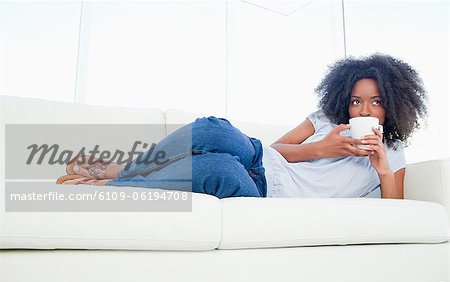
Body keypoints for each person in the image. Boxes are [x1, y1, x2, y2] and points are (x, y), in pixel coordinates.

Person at [57, 53, 428, 200]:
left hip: (264, 191)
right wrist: (320, 148)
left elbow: (392, 209)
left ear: (392, 105)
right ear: (344, 100)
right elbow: (275, 149)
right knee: (214, 129)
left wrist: (380, 166)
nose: (364, 109)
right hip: (263, 159)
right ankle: (125, 168)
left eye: (376, 102)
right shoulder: (325, 121)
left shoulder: (392, 154)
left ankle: (112, 185)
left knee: (219, 167)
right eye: (356, 101)